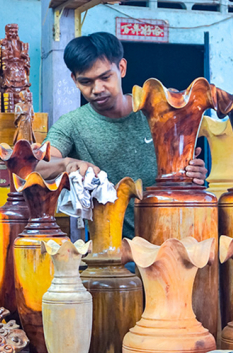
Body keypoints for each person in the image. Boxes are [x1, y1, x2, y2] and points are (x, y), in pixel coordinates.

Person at [37, 32, 208, 239]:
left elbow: (189, 171)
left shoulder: (158, 110)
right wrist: (66, 164)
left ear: (122, 68)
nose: (97, 89)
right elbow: (35, 167)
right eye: (86, 82)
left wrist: (193, 173)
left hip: (174, 238)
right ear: (74, 80)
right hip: (113, 252)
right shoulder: (72, 125)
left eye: (105, 77)